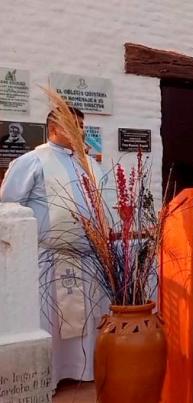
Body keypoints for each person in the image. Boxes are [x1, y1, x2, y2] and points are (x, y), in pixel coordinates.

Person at [0, 106, 109, 388]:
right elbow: (9, 206)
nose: (81, 130)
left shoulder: (88, 163)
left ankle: (84, 370)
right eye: (75, 124)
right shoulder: (33, 161)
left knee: (87, 317)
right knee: (52, 320)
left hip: (87, 256)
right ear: (54, 128)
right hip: (49, 258)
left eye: (83, 124)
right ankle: (51, 375)